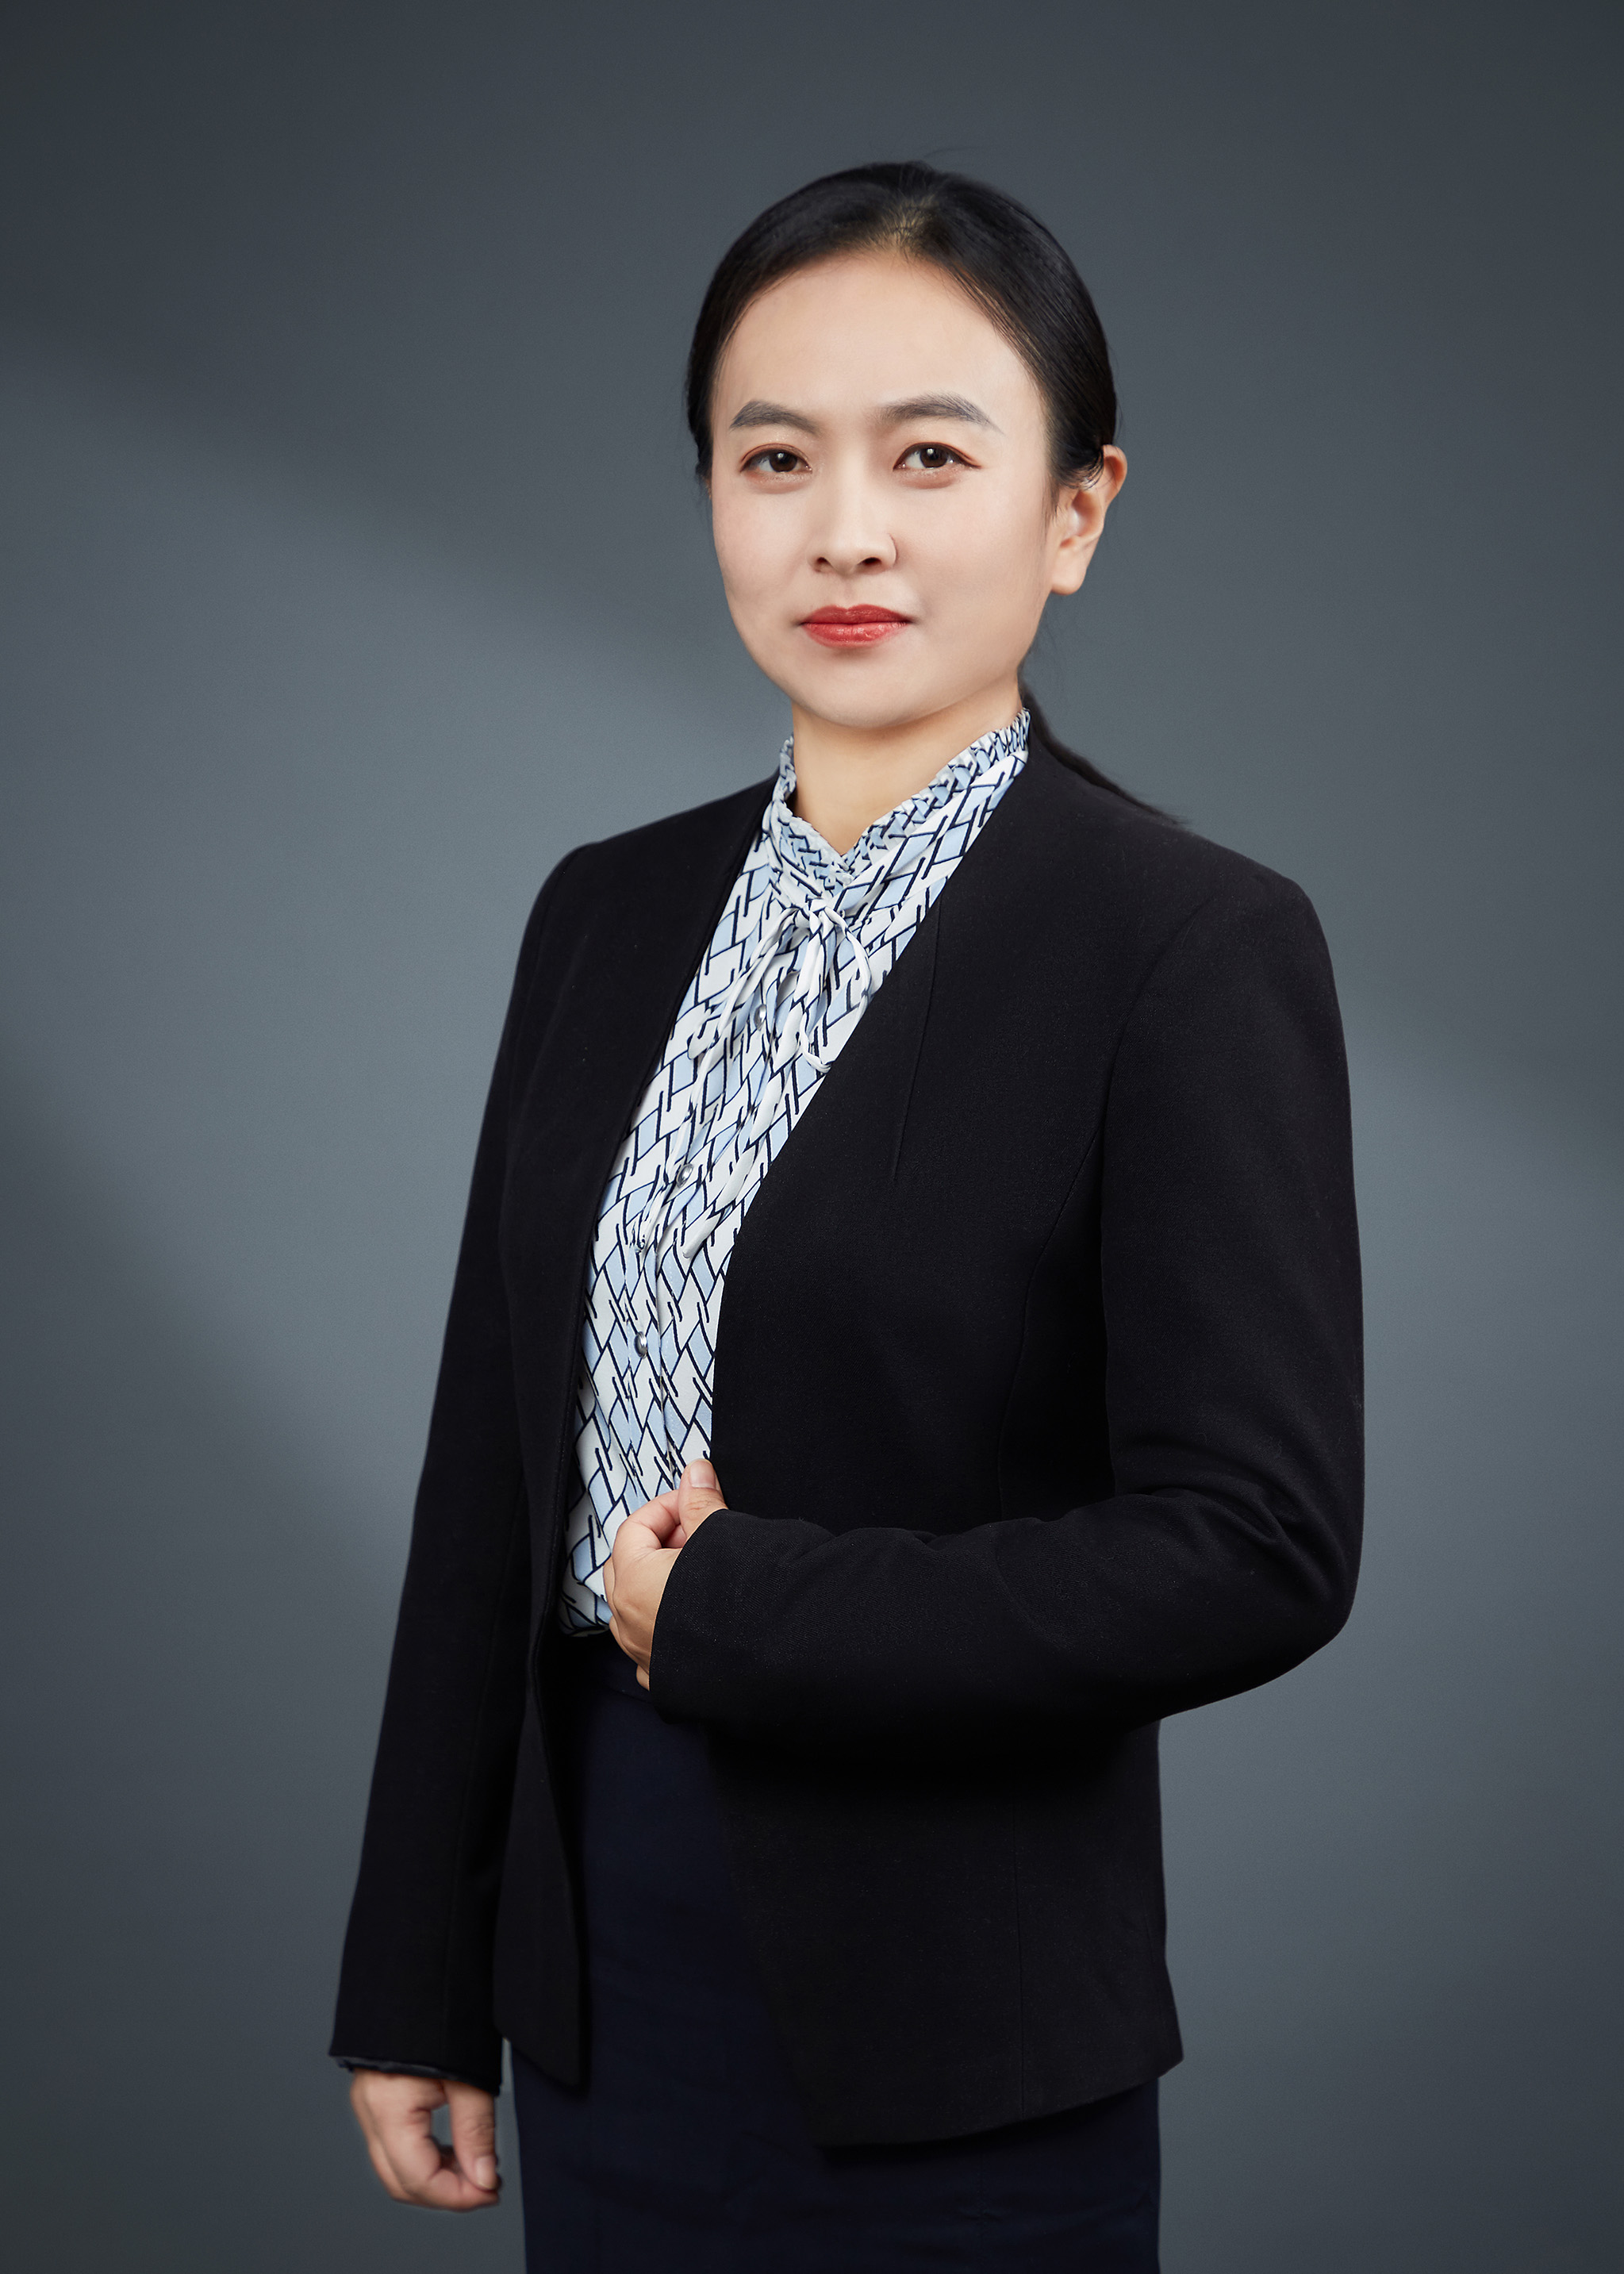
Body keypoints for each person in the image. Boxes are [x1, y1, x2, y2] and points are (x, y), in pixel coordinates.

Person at [331, 161, 1363, 2272]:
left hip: (958, 2026)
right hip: (602, 1980)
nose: (847, 531)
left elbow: (1258, 1543)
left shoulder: (1188, 945)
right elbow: (491, 1467)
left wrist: (750, 1612)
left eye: (932, 456)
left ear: (1076, 511)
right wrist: (419, 1972)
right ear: (712, 495)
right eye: (776, 457)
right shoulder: (604, 911)